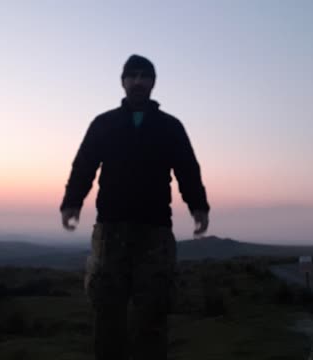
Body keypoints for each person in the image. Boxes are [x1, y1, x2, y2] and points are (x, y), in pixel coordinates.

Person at [59, 54, 210, 360]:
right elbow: (85, 164)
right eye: (133, 75)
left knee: (153, 313)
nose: (139, 81)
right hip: (111, 230)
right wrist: (72, 201)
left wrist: (198, 205)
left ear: (153, 83)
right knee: (107, 313)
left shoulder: (170, 127)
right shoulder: (103, 123)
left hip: (155, 231)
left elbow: (187, 168)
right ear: (123, 81)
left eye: (145, 76)